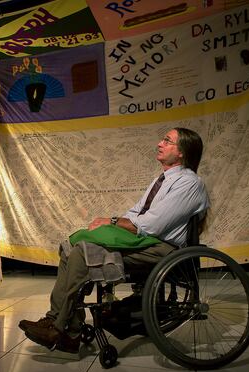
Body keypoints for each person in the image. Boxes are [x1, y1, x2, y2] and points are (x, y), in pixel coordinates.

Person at [19, 127, 210, 353]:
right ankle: (61, 324)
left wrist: (111, 222)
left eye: (167, 141)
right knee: (70, 247)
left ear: (182, 152)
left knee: (82, 252)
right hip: (146, 240)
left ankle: (62, 328)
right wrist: (113, 223)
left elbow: (152, 225)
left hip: (162, 249)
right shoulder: (162, 180)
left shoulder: (189, 183)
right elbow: (135, 213)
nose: (160, 143)